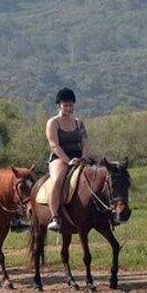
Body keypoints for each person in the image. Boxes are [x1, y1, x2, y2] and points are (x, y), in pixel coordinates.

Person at [45, 87, 88, 231]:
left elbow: (85, 142)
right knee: (57, 180)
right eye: (65, 105)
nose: (68, 107)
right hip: (60, 158)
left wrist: (84, 157)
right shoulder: (53, 122)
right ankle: (55, 216)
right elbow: (54, 145)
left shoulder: (79, 123)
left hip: (78, 156)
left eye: (70, 104)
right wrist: (68, 161)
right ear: (59, 105)